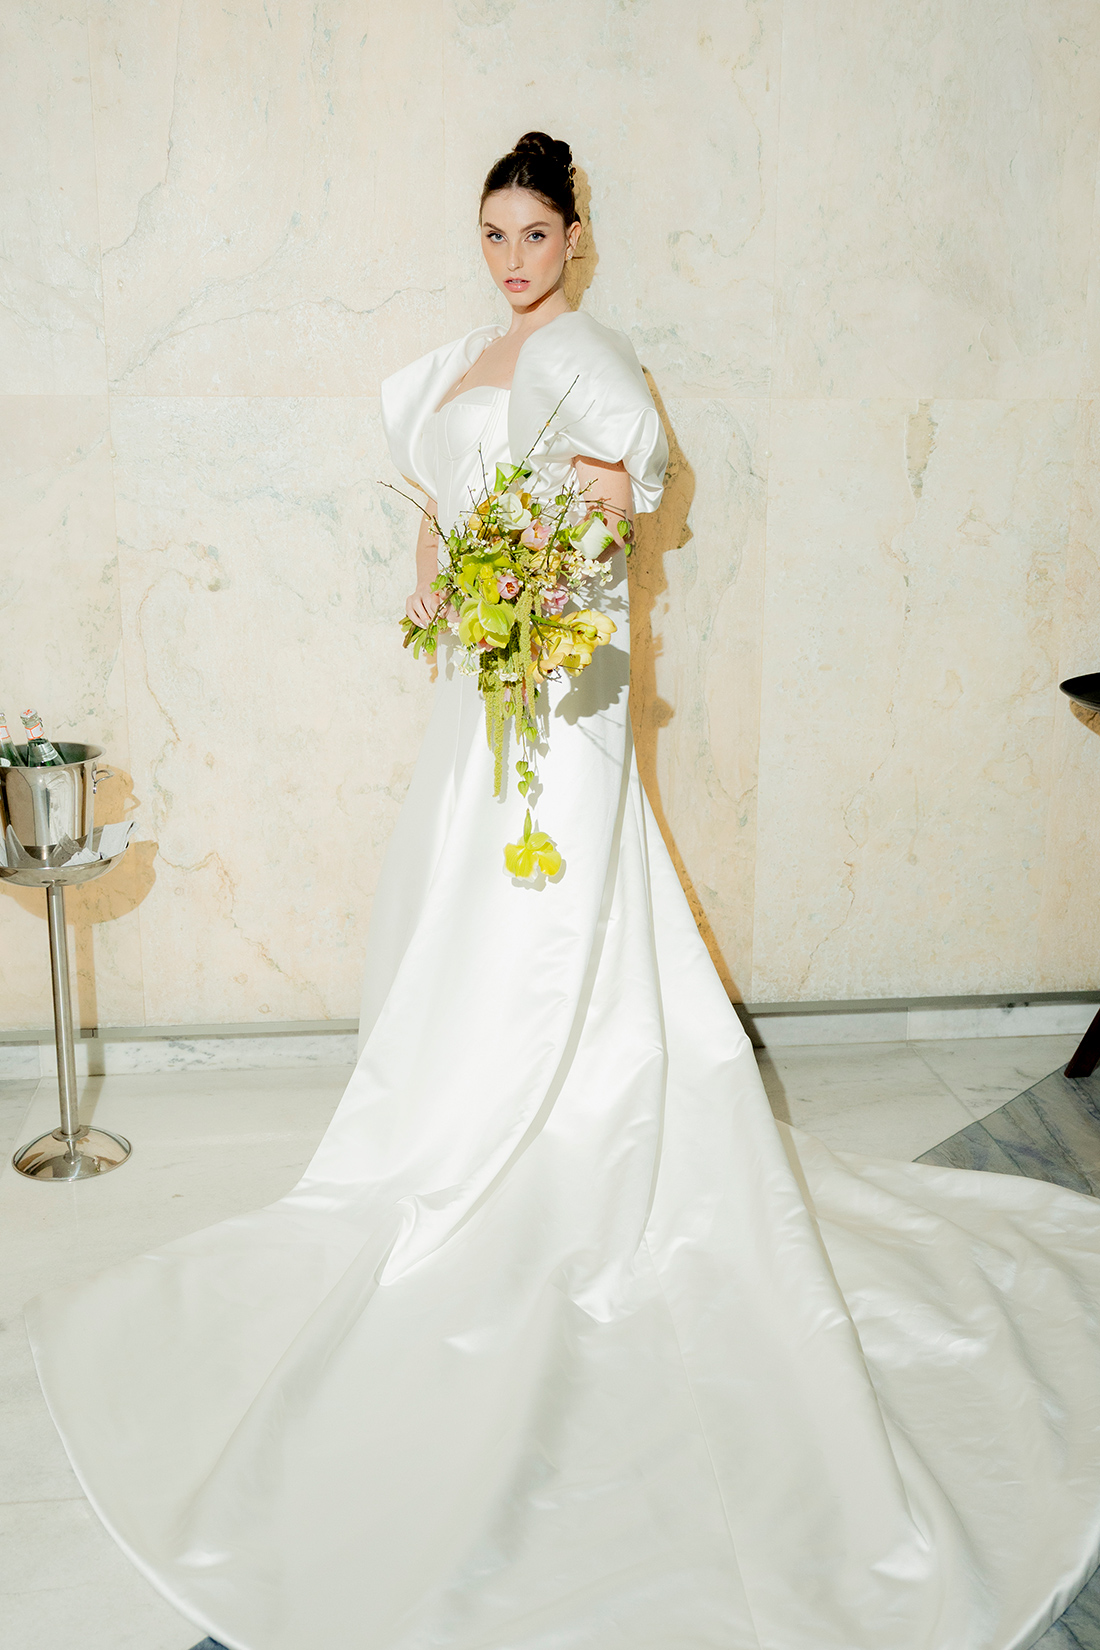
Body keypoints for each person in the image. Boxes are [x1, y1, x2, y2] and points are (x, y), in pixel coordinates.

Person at [27, 132, 1100, 1650]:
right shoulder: (470, 355)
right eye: (494, 233)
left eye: (534, 233)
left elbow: (625, 495)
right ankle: (459, 1120)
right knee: (465, 893)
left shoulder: (589, 350)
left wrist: (545, 570)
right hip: (482, 676)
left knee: (563, 901)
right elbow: (437, 489)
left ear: (576, 237)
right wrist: (434, 569)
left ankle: (563, 1128)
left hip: (566, 677)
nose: (514, 259)